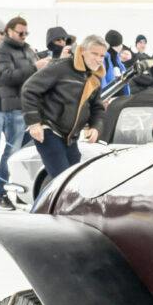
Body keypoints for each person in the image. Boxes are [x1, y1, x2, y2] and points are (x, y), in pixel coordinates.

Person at [21, 30, 108, 196]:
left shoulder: (94, 78)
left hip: (70, 137)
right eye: (95, 54)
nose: (99, 59)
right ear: (82, 51)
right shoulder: (61, 67)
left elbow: (97, 107)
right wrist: (34, 123)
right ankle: (46, 210)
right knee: (64, 182)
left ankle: (44, 209)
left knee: (71, 182)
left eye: (102, 56)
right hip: (49, 130)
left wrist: (96, 127)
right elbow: (29, 89)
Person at [0, 15, 33, 208]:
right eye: (20, 33)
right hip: (13, 107)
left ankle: (23, 192)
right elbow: (5, 76)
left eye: (26, 33)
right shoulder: (1, 50)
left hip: (30, 106)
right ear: (9, 31)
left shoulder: (28, 49)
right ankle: (0, 192)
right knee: (11, 152)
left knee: (25, 153)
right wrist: (35, 67)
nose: (24, 36)